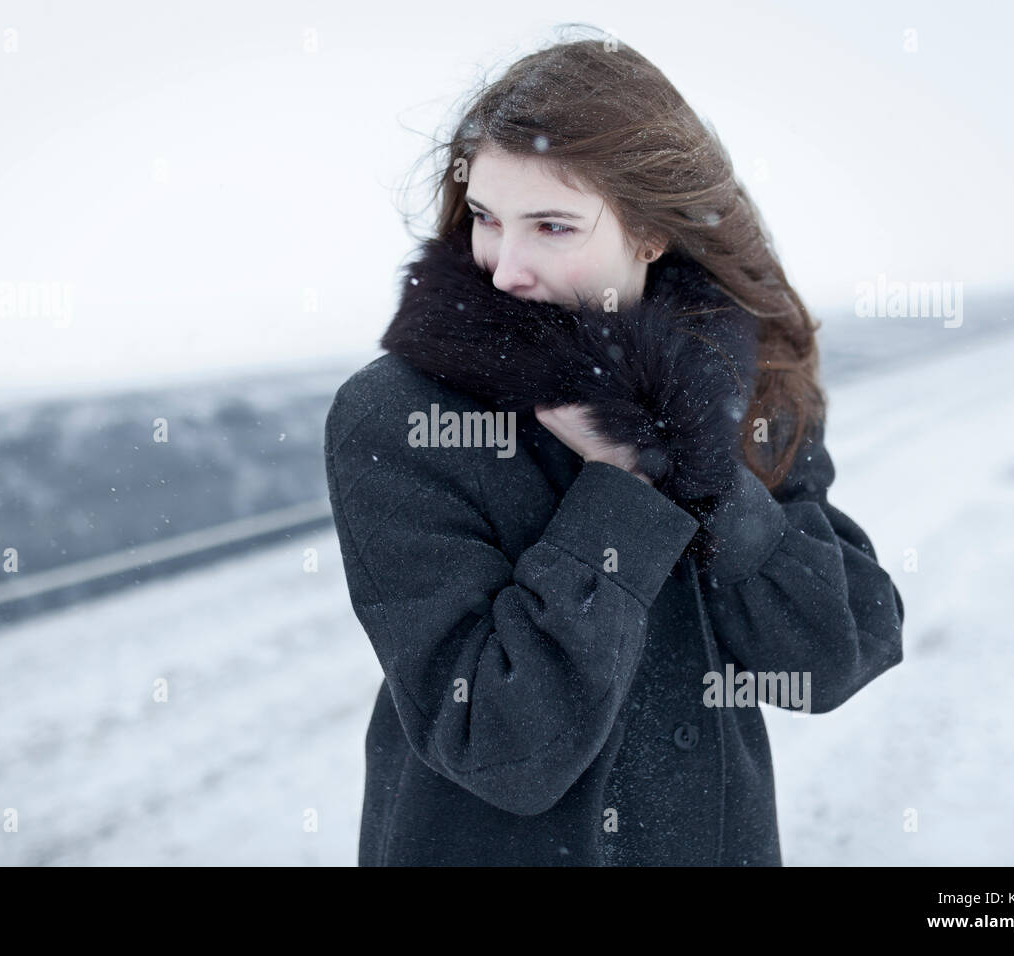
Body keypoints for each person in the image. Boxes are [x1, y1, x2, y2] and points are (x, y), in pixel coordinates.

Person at [323, 32, 905, 866]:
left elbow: (841, 652)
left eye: (552, 225)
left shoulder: (737, 379)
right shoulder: (398, 416)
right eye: (488, 218)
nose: (505, 269)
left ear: (650, 235)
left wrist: (692, 459)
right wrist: (621, 486)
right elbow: (498, 746)